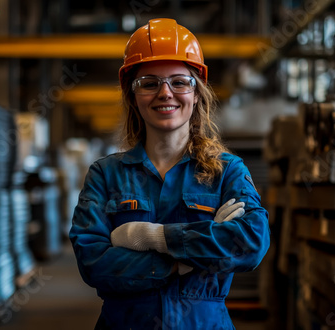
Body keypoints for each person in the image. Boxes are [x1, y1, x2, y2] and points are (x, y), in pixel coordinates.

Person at [69, 18, 270, 329]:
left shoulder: (227, 172)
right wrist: (187, 259)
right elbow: (94, 263)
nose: (165, 93)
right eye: (149, 83)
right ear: (133, 97)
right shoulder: (105, 175)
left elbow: (251, 243)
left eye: (179, 82)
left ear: (197, 93)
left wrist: (154, 237)